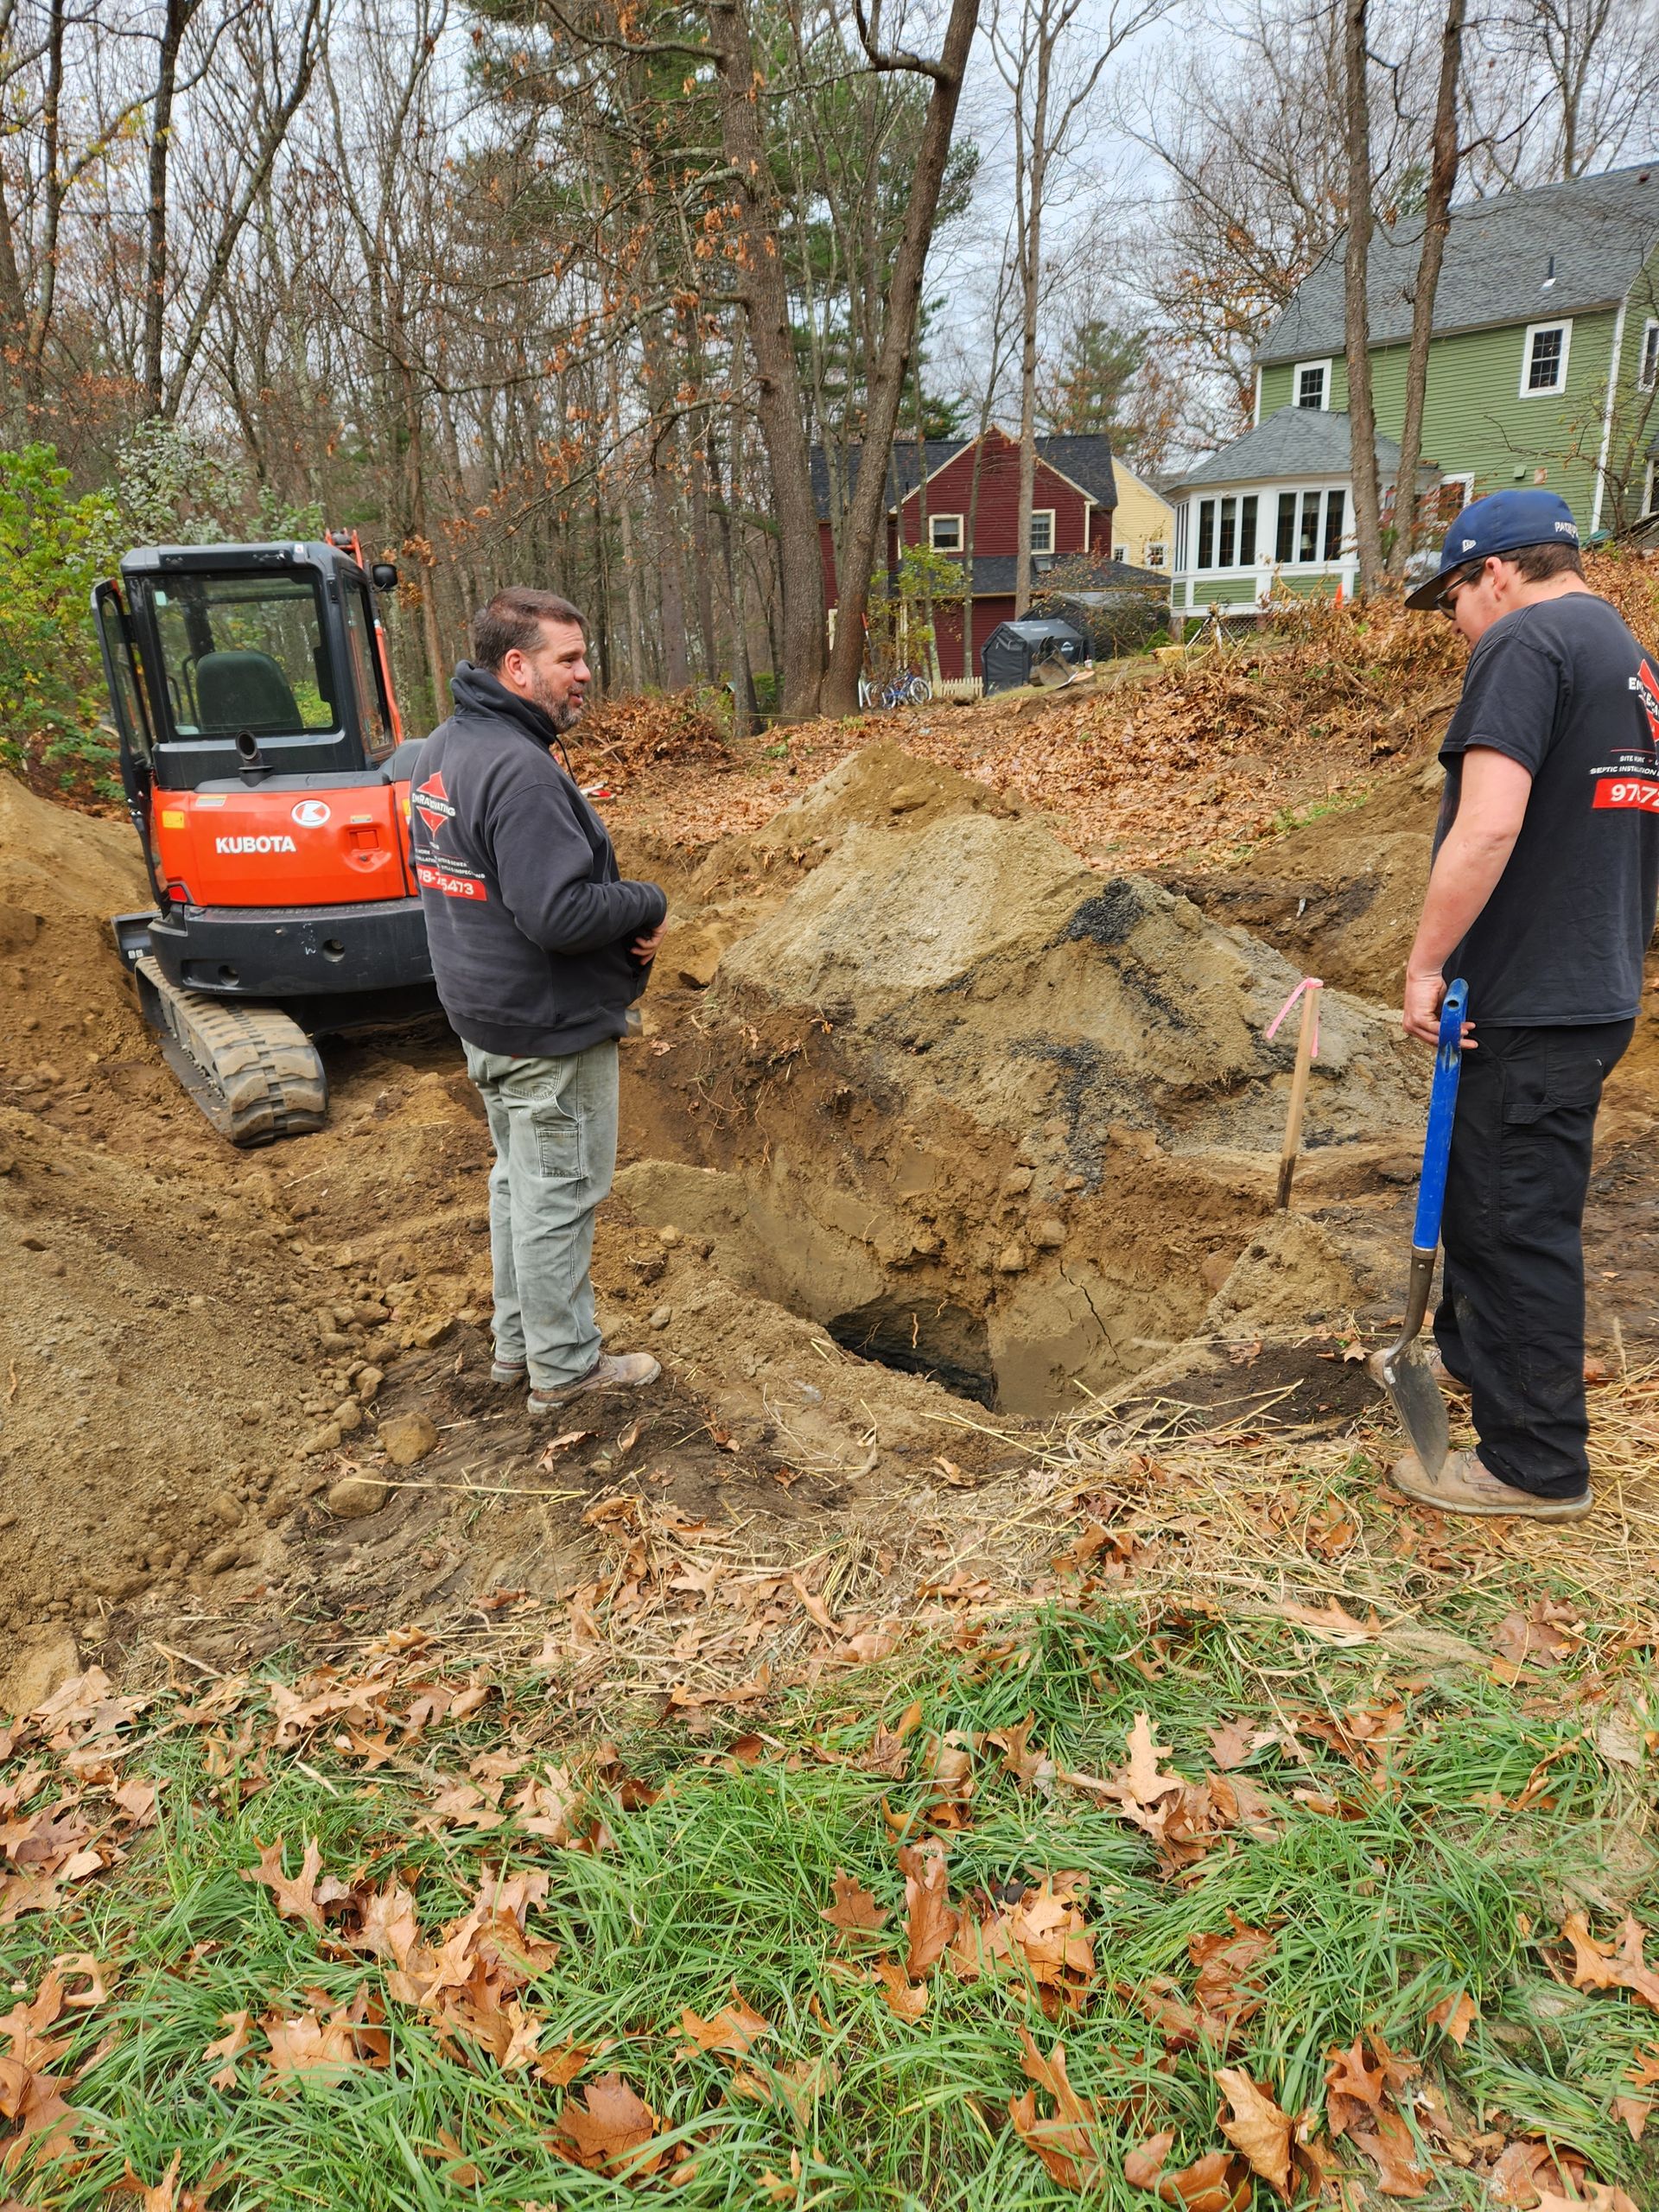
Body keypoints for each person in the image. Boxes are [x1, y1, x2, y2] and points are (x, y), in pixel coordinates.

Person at [1394, 488, 1659, 1519]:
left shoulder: (1526, 643)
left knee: (1514, 1223)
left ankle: (1535, 1462)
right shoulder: (1632, 666)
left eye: (1452, 596)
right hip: (1584, 985)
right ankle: (1472, 1357)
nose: (1455, 621)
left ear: (1494, 571)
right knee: (1490, 1193)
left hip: (1537, 994)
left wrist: (1426, 964)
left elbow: (1490, 825)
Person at [410, 588, 669, 1416]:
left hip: (486, 1015)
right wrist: (644, 901)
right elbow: (556, 913)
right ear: (516, 666)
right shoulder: (519, 770)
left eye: (583, 656)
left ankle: (517, 1350)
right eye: (569, 659)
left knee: (518, 1186)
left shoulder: (447, 749)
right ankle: (565, 1371)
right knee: (559, 1193)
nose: (585, 674)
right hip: (545, 1028)